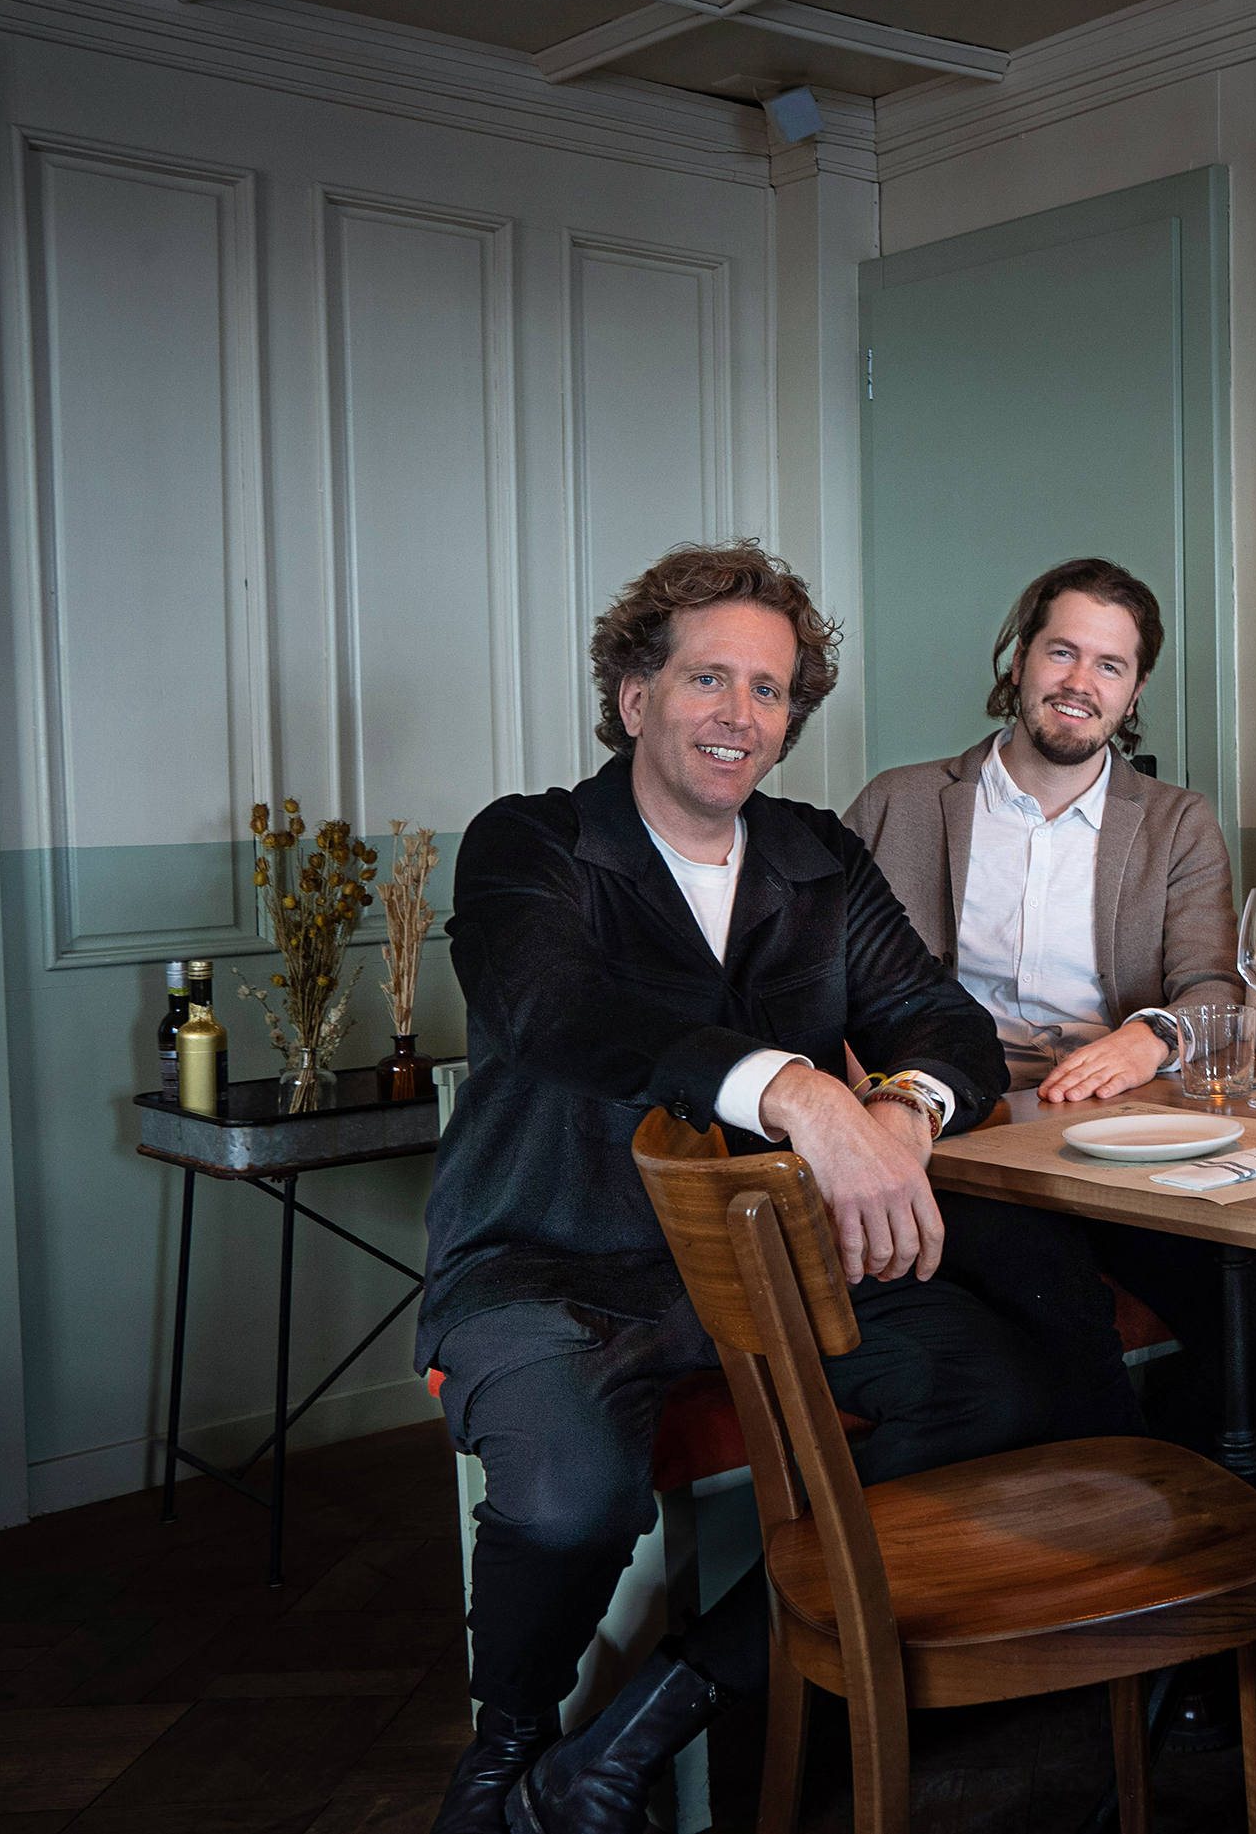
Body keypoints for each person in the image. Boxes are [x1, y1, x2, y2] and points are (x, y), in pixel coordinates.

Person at [423, 542, 1035, 1834]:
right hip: (553, 1259)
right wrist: (800, 1092)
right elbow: (555, 1014)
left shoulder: (813, 856)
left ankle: (634, 1733)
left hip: (765, 1268)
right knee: (575, 1494)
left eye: (767, 691)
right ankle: (507, 1756)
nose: (739, 716)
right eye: (708, 678)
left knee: (995, 1393)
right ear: (634, 692)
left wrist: (899, 1112)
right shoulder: (528, 844)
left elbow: (945, 1024)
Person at [842, 558, 1241, 1442]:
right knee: (1059, 1304)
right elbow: (827, 984)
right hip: (958, 1139)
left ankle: (1199, 1510)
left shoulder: (1177, 822)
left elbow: (1216, 991)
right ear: (1018, 660)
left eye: (1109, 665)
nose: (1079, 682)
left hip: (1125, 1138)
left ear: (1133, 693)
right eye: (1061, 653)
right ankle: (1112, 1529)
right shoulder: (897, 803)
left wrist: (1151, 1038)